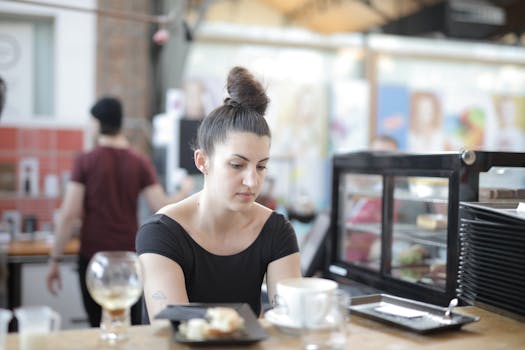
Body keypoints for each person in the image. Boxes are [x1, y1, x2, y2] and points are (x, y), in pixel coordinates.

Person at [136, 66, 302, 322]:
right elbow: (174, 329)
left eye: (261, 166)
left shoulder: (275, 230)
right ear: (202, 161)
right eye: (237, 165)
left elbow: (290, 322)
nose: (252, 180)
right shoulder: (161, 233)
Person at [46, 96, 194, 327]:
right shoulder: (140, 162)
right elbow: (161, 206)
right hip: (130, 257)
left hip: (95, 259)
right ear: (120, 123)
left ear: (96, 123)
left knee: (98, 326)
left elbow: (68, 215)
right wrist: (184, 190)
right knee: (130, 326)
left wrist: (54, 259)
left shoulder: (86, 161)